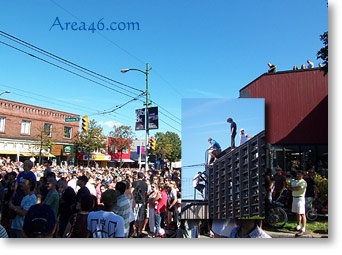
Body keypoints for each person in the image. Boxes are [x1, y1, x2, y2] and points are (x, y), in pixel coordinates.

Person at [287, 170, 307, 236]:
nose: (298, 176)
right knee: (297, 213)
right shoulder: (295, 181)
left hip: (300, 198)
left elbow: (298, 188)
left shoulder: (303, 182)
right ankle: (298, 226)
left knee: (302, 213)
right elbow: (290, 187)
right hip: (294, 197)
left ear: (302, 176)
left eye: (299, 175)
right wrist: (291, 187)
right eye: (297, 174)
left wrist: (292, 188)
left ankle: (303, 228)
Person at [132, 172, 147, 237]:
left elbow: (131, 191)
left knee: (134, 217)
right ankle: (140, 231)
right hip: (142, 201)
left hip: (135, 201)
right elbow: (146, 193)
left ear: (137, 176)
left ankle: (134, 231)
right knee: (141, 217)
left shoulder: (134, 183)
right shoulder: (145, 184)